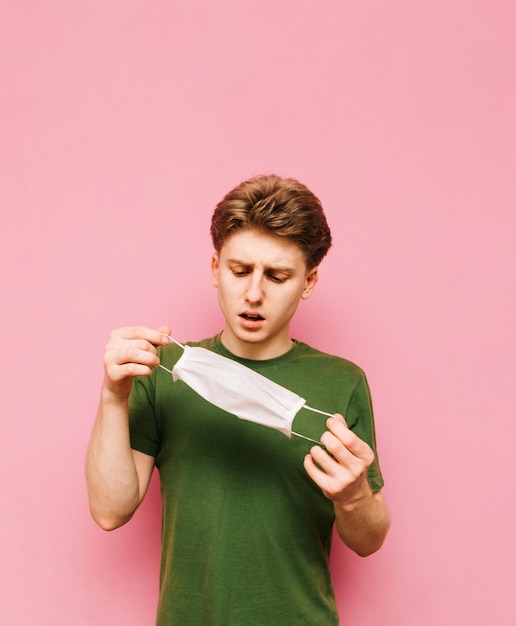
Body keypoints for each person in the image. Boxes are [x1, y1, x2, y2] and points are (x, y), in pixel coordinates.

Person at [86, 174, 390, 625]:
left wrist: (352, 496)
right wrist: (113, 395)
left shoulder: (340, 382)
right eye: (240, 270)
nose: (253, 293)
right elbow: (110, 512)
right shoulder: (160, 376)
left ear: (308, 281)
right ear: (215, 270)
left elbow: (369, 540)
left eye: (278, 276)